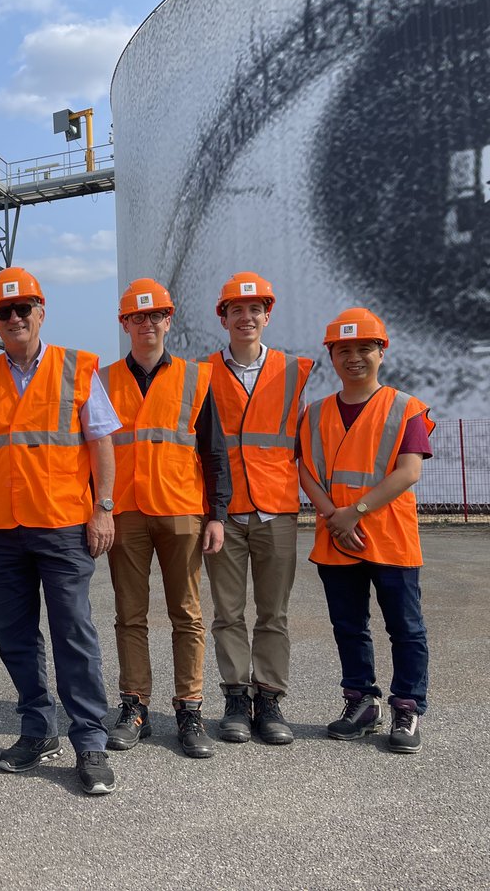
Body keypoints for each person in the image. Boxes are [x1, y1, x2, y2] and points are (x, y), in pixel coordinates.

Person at [0, 266, 120, 796]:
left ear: (41, 311)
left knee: (74, 632)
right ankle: (37, 727)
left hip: (63, 526)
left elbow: (100, 442)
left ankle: (90, 741)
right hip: (2, 530)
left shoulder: (77, 368)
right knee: (15, 638)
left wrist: (103, 508)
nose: (14, 318)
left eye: (22, 308)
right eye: (3, 312)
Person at [99, 278, 231, 759]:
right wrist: (100, 508)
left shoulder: (196, 378)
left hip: (181, 509)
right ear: (125, 324)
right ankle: (134, 706)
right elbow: (92, 451)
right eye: (137, 317)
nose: (147, 323)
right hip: (127, 512)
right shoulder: (104, 379)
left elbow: (215, 451)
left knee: (187, 614)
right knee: (129, 615)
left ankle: (189, 709)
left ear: (168, 320)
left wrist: (217, 514)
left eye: (155, 315)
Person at [297, 308, 433, 754]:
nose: (353, 358)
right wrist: (335, 518)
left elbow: (409, 471)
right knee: (348, 627)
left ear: (381, 352)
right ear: (332, 357)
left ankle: (408, 707)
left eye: (363, 349)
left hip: (388, 537)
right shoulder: (314, 413)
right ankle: (361, 702)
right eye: (343, 350)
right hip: (337, 538)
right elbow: (307, 474)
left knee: (406, 628)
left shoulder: (405, 407)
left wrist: (352, 512)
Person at [203, 273, 313, 745]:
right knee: (228, 613)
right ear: (223, 317)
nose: (245, 317)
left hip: (276, 509)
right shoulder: (203, 372)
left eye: (255, 310)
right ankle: (234, 697)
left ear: (267, 315)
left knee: (274, 613)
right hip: (224, 512)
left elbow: (303, 441)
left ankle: (268, 699)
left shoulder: (293, 370)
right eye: (236, 310)